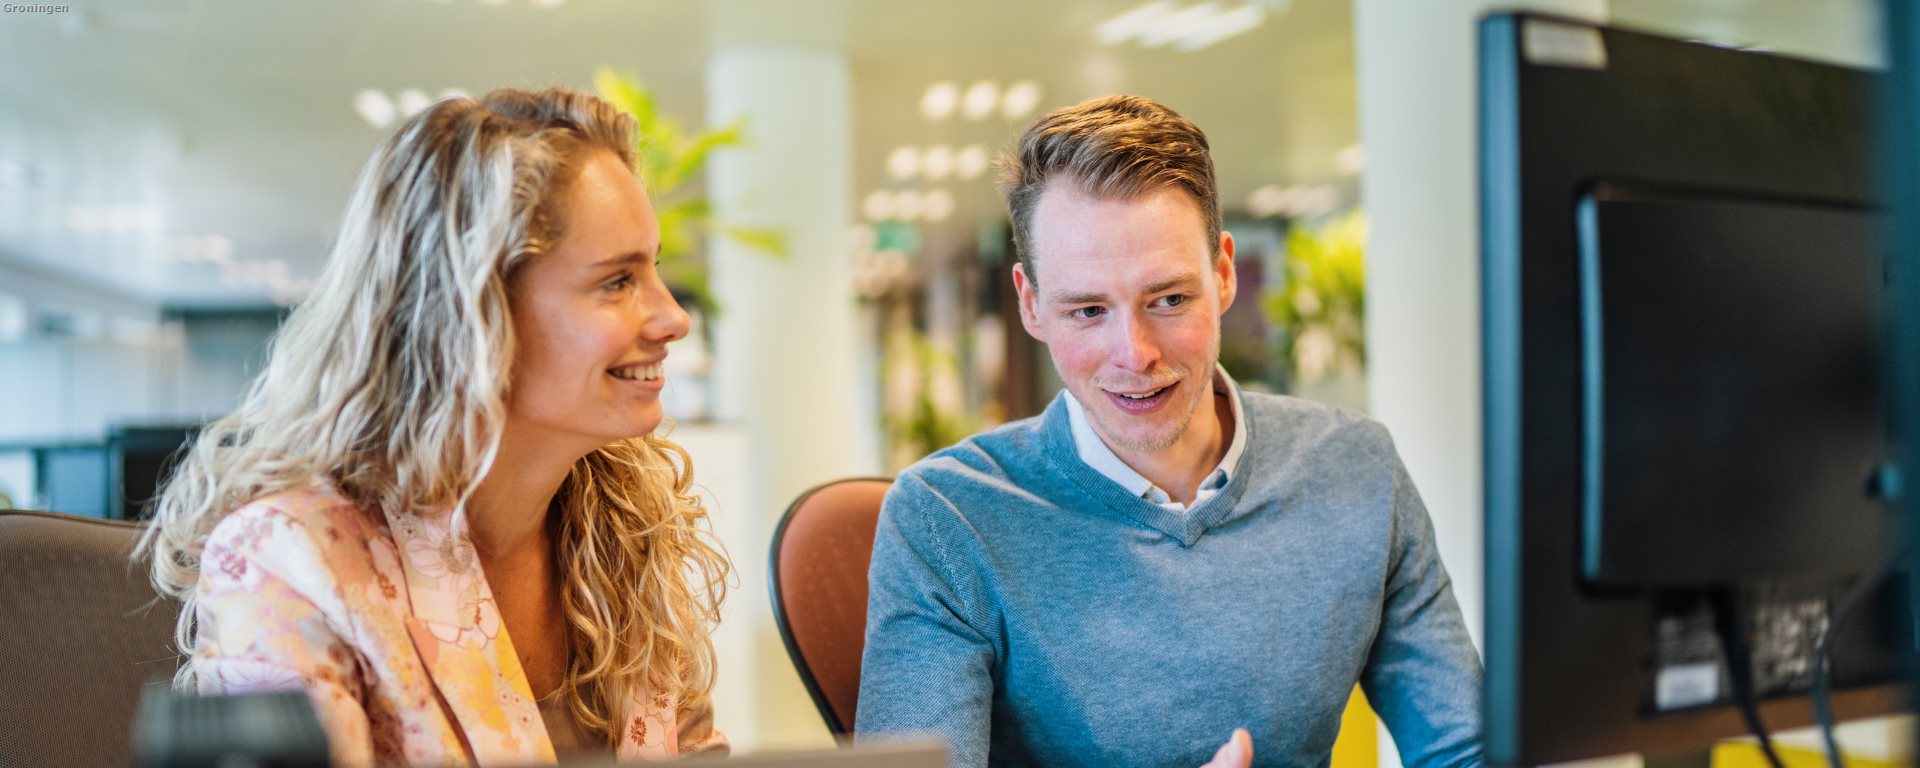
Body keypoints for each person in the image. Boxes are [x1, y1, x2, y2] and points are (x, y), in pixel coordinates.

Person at [855, 95, 1483, 768]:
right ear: (1031, 305)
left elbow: (1468, 749)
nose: (1135, 354)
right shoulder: (946, 518)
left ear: (1224, 273)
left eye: (1170, 299)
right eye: (1088, 310)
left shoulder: (1356, 468)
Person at [136, 88, 729, 766]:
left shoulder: (621, 525)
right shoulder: (293, 559)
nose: (673, 318)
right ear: (475, 311)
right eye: (617, 281)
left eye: (654, 269)